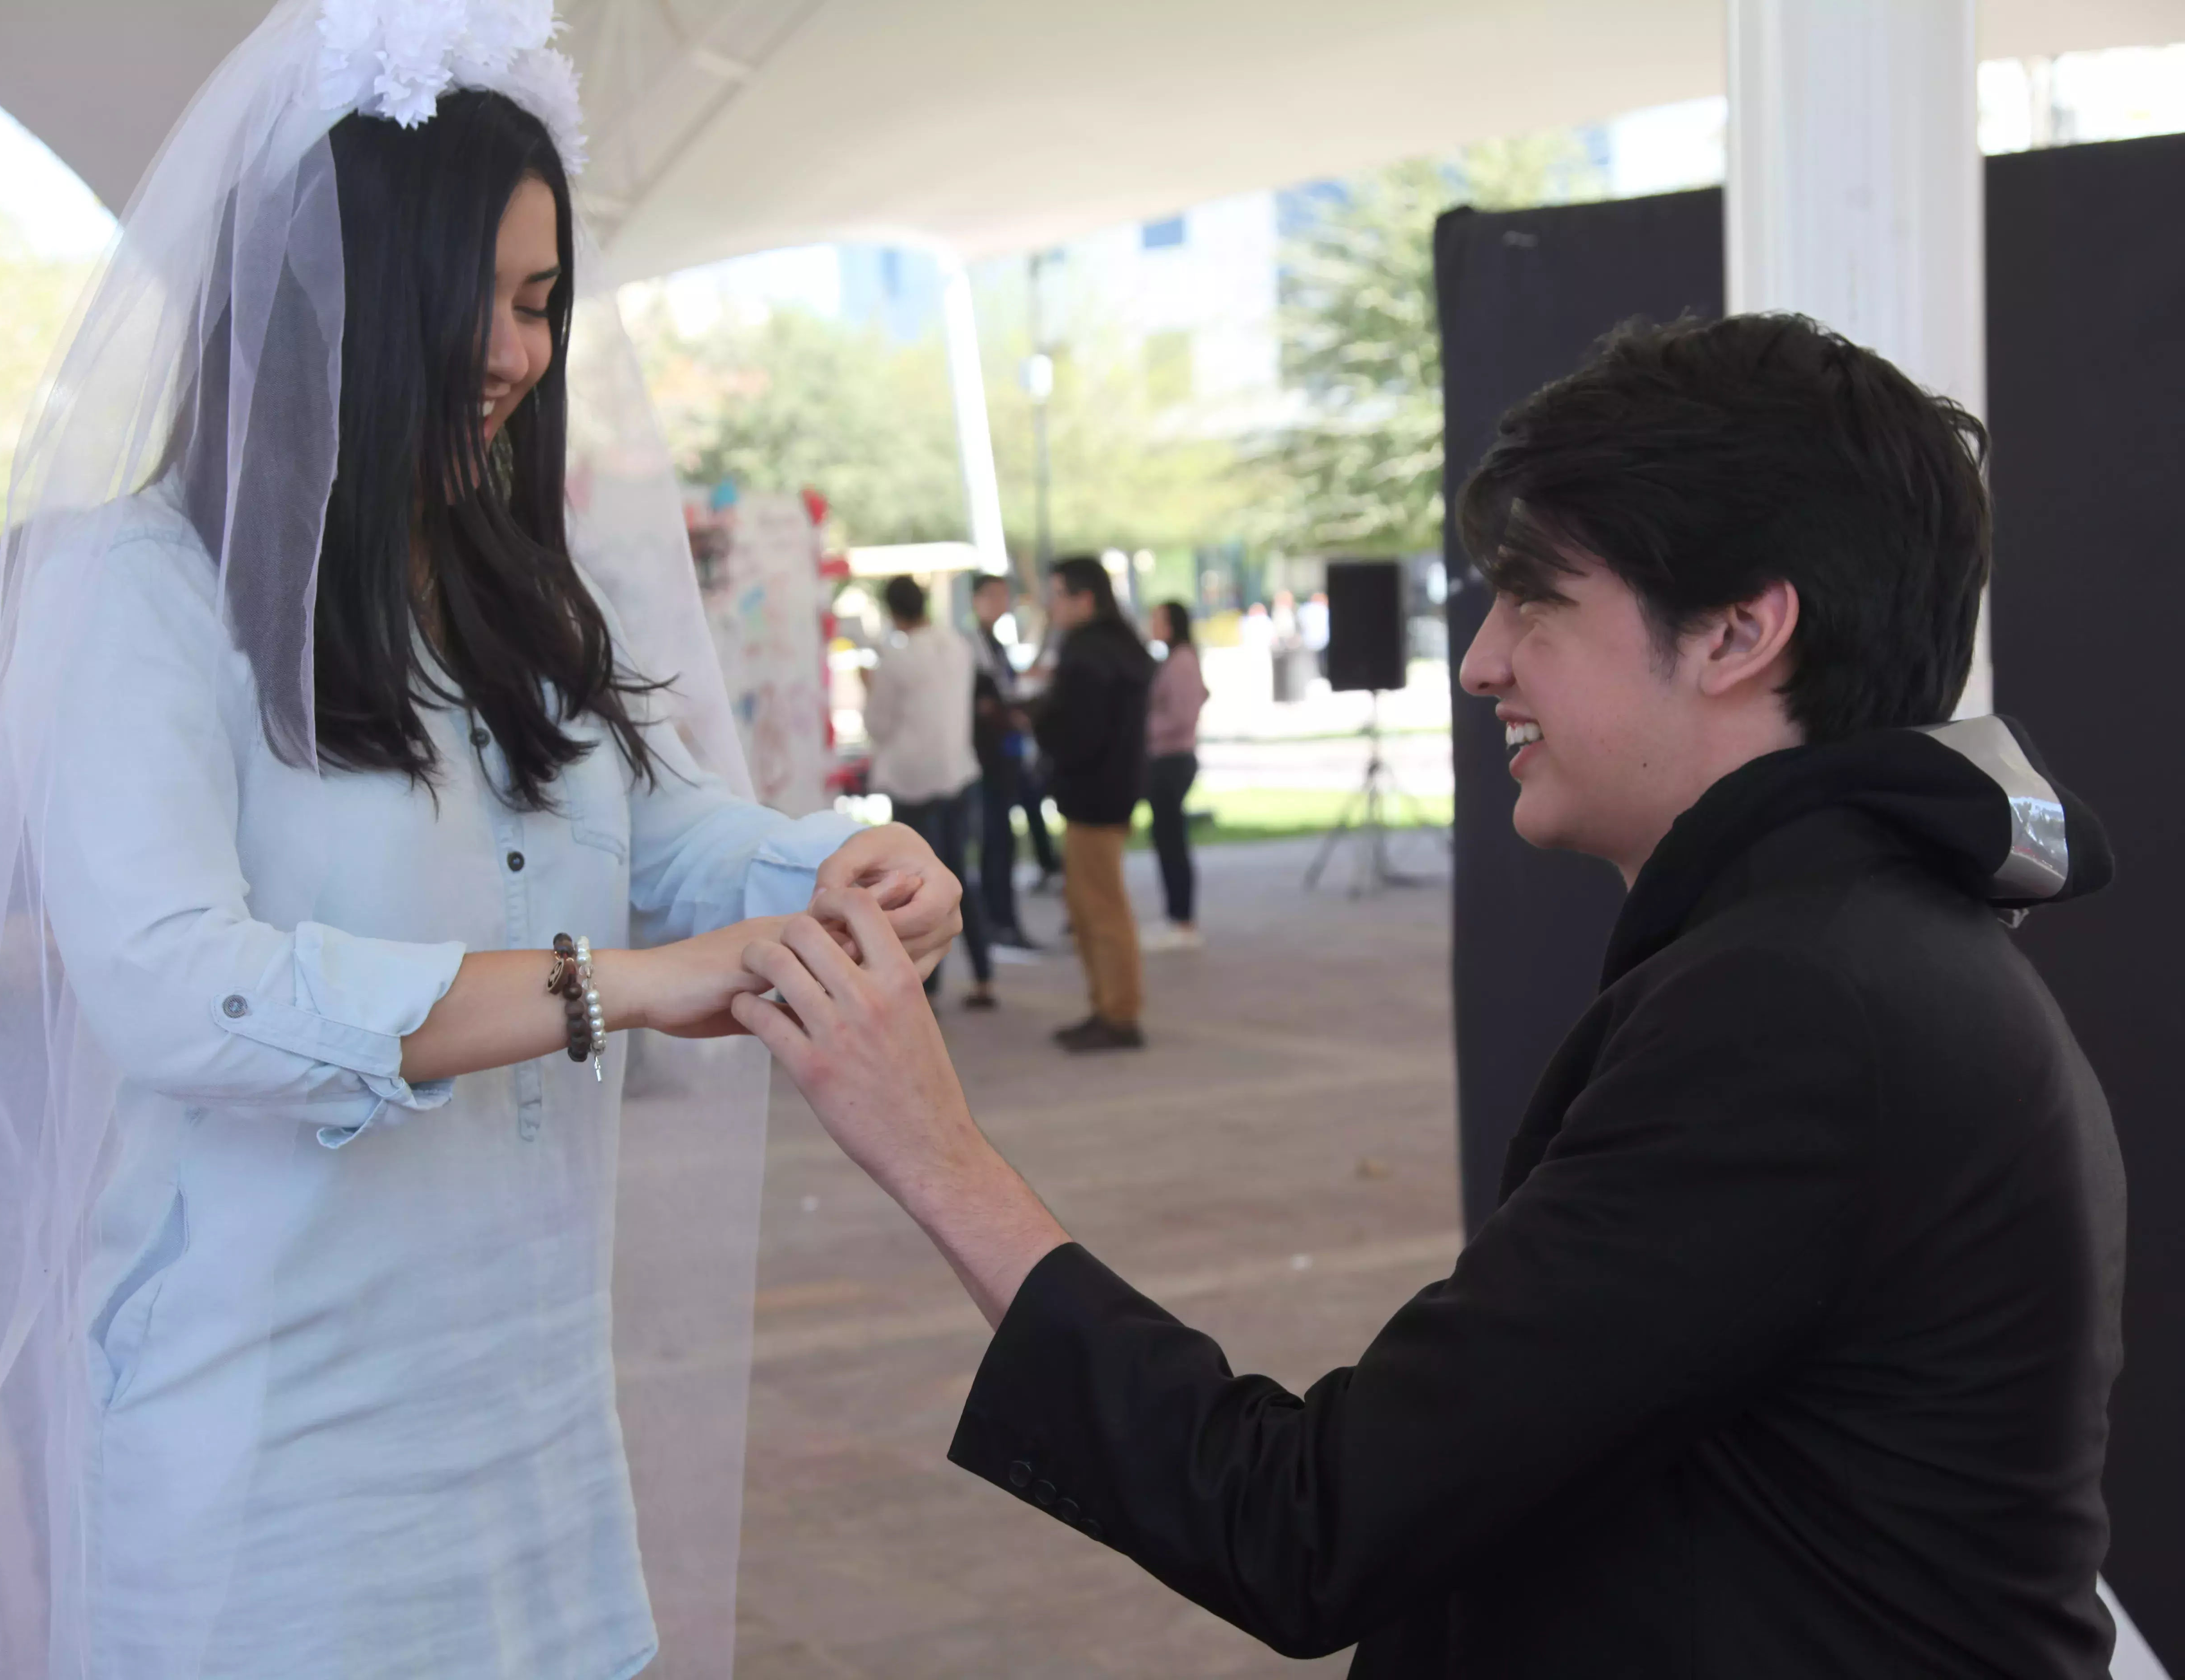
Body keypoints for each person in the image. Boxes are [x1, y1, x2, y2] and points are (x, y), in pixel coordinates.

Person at [732, 315, 2125, 1676]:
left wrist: (937, 1153)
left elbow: (1311, 1523)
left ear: (1739, 630)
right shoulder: (1858, 949)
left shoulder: (1802, 1012)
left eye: (1539, 600)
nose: (1482, 663)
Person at [0, 14, 962, 1677]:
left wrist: (829, 867)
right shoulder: (132, 588)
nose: (517, 351)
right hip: (274, 1472)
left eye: (542, 303)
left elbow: (659, 827)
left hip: (523, 1423)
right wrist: (621, 988)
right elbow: (176, 987)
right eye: (481, 295)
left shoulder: (505, 590)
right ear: (341, 289)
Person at [1031, 557, 1154, 1051]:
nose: (1051, 605)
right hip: (1109, 791)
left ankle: (1119, 1013)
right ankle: (1107, 1006)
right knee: (1087, 907)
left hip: (1094, 795)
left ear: (1086, 599)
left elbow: (1079, 731)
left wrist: (1039, 720)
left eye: (1058, 594)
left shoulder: (1089, 653)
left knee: (1100, 909)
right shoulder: (1118, 648)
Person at [865, 575, 994, 1009]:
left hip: (913, 780)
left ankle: (926, 987)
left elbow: (878, 726)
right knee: (960, 877)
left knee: (912, 887)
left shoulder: (896, 661)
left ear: (892, 612)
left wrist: (869, 688)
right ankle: (983, 976)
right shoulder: (957, 645)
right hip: (958, 770)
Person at [968, 572, 1055, 938]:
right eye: (993, 597)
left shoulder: (995, 644)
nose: (1000, 604)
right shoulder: (970, 646)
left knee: (1004, 838)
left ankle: (1003, 919)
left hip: (1005, 758)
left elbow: (1002, 694)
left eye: (1004, 597)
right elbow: (985, 703)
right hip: (986, 762)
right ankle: (996, 921)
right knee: (995, 840)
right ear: (976, 600)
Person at [1141, 601, 1208, 951]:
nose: (1151, 625)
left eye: (1157, 620)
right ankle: (1176, 917)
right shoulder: (1175, 659)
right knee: (1167, 839)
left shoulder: (1181, 662)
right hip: (1166, 757)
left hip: (1172, 758)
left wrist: (1141, 729)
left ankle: (1183, 920)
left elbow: (1182, 715)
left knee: (1172, 842)